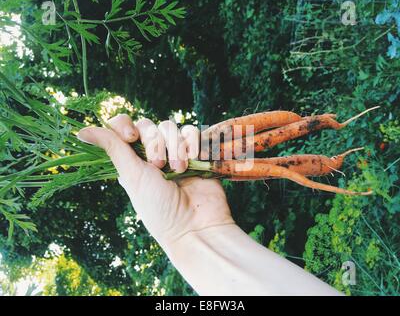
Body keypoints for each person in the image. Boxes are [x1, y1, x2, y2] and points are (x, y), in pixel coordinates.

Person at [77, 114, 341, 296]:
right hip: (205, 185)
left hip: (209, 164)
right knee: (275, 164)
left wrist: (193, 236)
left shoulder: (211, 152)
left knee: (257, 151)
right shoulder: (190, 207)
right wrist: (192, 233)